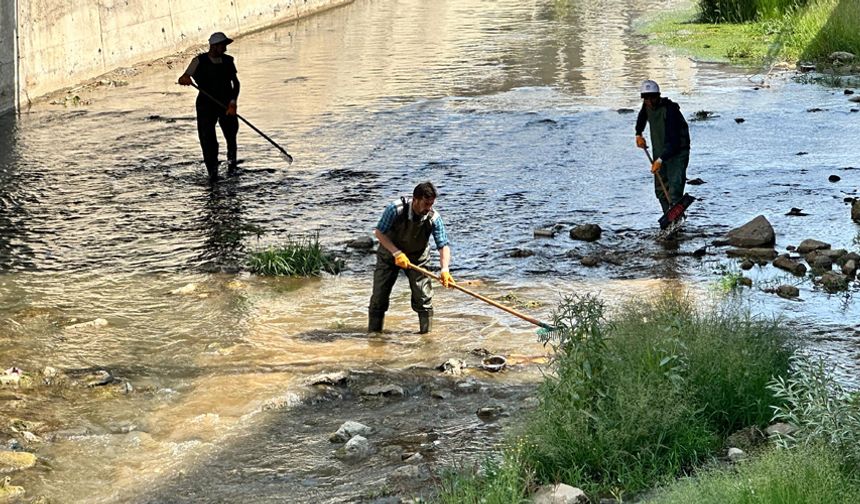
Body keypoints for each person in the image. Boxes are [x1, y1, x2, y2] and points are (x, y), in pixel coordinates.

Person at [368, 182, 454, 334]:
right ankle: (374, 336)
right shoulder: (395, 209)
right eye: (426, 204)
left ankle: (426, 338)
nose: (428, 208)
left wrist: (445, 270)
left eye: (431, 204)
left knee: (424, 298)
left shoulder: (433, 217)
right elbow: (379, 233)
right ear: (415, 199)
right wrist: (396, 253)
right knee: (379, 297)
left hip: (418, 258)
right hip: (389, 255)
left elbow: (443, 245)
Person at [178, 32, 241, 181]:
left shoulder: (228, 61)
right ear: (214, 46)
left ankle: (232, 168)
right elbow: (184, 77)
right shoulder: (198, 61)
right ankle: (212, 173)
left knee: (231, 137)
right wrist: (184, 79)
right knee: (208, 140)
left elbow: (236, 83)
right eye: (222, 46)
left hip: (226, 105)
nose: (225, 49)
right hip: (206, 105)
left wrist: (233, 103)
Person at [634, 80, 691, 214]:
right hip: (660, 150)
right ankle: (668, 214)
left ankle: (676, 216)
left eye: (651, 97)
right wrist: (638, 134)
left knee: (675, 187)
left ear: (657, 96)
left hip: (677, 152)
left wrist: (659, 161)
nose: (648, 101)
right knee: (660, 189)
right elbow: (642, 116)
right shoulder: (647, 105)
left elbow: (674, 142)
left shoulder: (670, 110)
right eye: (645, 98)